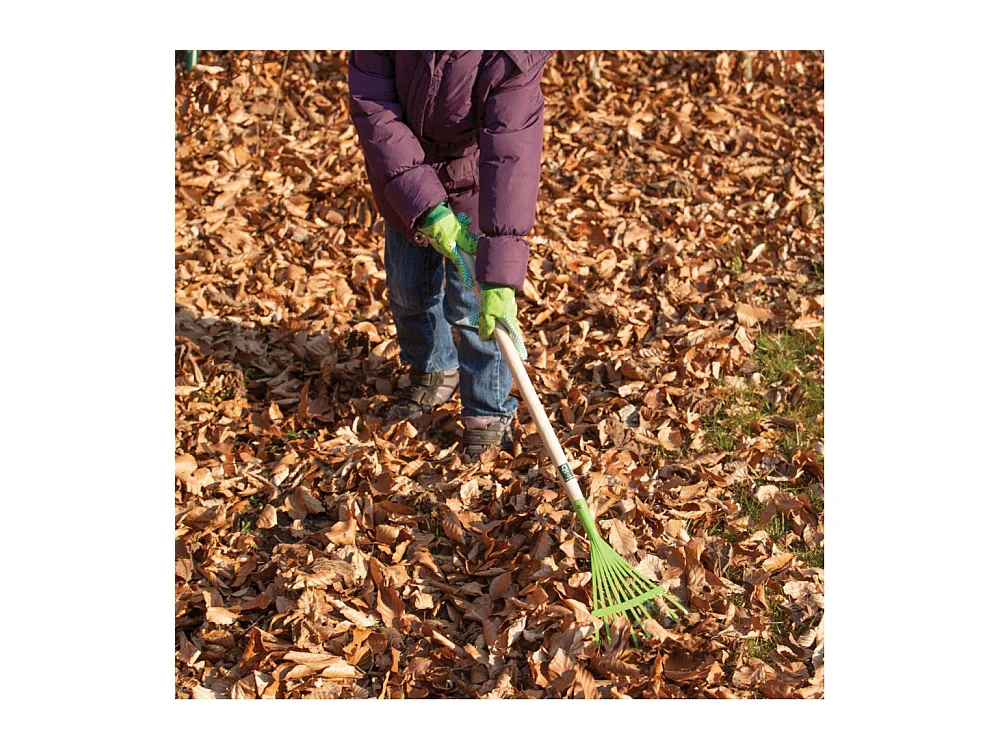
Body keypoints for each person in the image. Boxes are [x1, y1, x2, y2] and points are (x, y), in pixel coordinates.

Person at [348, 51, 551, 456]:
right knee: (408, 289)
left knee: (474, 307)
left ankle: (488, 410)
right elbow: (375, 109)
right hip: (403, 179)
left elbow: (512, 156)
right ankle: (433, 366)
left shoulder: (511, 51)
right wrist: (423, 202)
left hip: (474, 182)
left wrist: (499, 272)